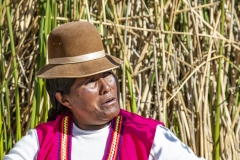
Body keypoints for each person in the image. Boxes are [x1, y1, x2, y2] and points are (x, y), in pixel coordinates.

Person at [4, 21, 205, 160]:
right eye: (90, 81)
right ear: (64, 99)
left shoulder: (148, 135)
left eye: (107, 74)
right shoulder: (40, 140)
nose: (106, 87)